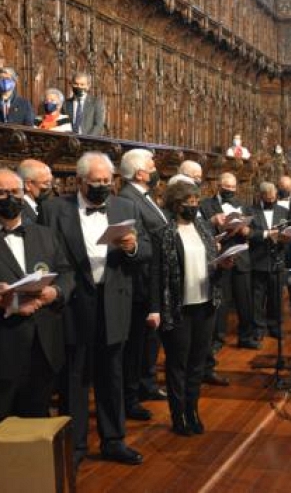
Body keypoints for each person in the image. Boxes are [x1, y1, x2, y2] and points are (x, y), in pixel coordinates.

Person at [39, 151, 151, 469]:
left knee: (112, 375)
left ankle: (114, 440)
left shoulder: (125, 206)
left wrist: (133, 248)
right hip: (73, 304)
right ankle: (74, 446)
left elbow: (146, 250)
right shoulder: (53, 209)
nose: (102, 186)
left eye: (106, 181)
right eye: (95, 182)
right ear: (79, 181)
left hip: (113, 301)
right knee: (74, 378)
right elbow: (45, 254)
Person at [150, 181, 232, 436]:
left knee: (197, 363)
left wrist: (222, 264)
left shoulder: (205, 229)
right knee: (177, 364)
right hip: (177, 307)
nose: (194, 207)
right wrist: (154, 309)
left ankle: (192, 410)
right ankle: (178, 415)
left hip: (205, 304)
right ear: (176, 205)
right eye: (190, 203)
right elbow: (156, 275)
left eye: (197, 202)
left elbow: (211, 264)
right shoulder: (163, 233)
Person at [0, 168, 74, 420]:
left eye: (15, 192)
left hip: (44, 343)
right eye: (2, 193)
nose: (9, 198)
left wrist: (56, 291)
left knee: (37, 419)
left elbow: (66, 272)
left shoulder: (45, 234)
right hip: (5, 342)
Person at [118, 149, 168, 421]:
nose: (154, 168)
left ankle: (144, 385)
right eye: (151, 165)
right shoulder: (128, 199)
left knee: (147, 341)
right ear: (139, 172)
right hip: (141, 281)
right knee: (135, 344)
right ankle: (132, 396)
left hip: (153, 277)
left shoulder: (143, 196)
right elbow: (141, 242)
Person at [174, 161, 229, 387]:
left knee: (202, 345)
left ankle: (205, 369)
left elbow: (205, 239)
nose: (198, 180)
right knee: (181, 356)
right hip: (182, 294)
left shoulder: (200, 221)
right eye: (194, 176)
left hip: (205, 291)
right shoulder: (169, 228)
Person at [201, 172, 259, 349]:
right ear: (218, 186)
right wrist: (215, 225)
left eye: (233, 187)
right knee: (222, 302)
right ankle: (218, 340)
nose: (230, 190)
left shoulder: (244, 205)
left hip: (241, 257)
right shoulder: (206, 205)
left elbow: (256, 231)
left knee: (245, 300)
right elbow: (201, 229)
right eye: (227, 187)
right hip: (220, 257)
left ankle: (246, 337)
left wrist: (246, 230)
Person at [249, 182, 289, 339]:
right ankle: (258, 328)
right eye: (268, 197)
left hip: (277, 259)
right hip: (258, 259)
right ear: (261, 196)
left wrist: (286, 237)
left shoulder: (284, 211)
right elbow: (249, 233)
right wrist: (266, 234)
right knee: (257, 297)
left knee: (276, 296)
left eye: (274, 197)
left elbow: (287, 230)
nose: (271, 200)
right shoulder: (251, 211)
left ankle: (275, 325)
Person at [64, 71, 105, 136]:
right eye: (76, 84)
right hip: (69, 140)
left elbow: (98, 125)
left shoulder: (96, 103)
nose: (79, 87)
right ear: (71, 84)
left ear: (88, 86)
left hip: (89, 141)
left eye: (82, 84)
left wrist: (87, 139)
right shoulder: (65, 104)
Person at [17, 158, 54, 224]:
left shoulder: (46, 207)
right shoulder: (18, 212)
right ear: (28, 185)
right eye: (46, 183)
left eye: (51, 183)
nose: (50, 187)